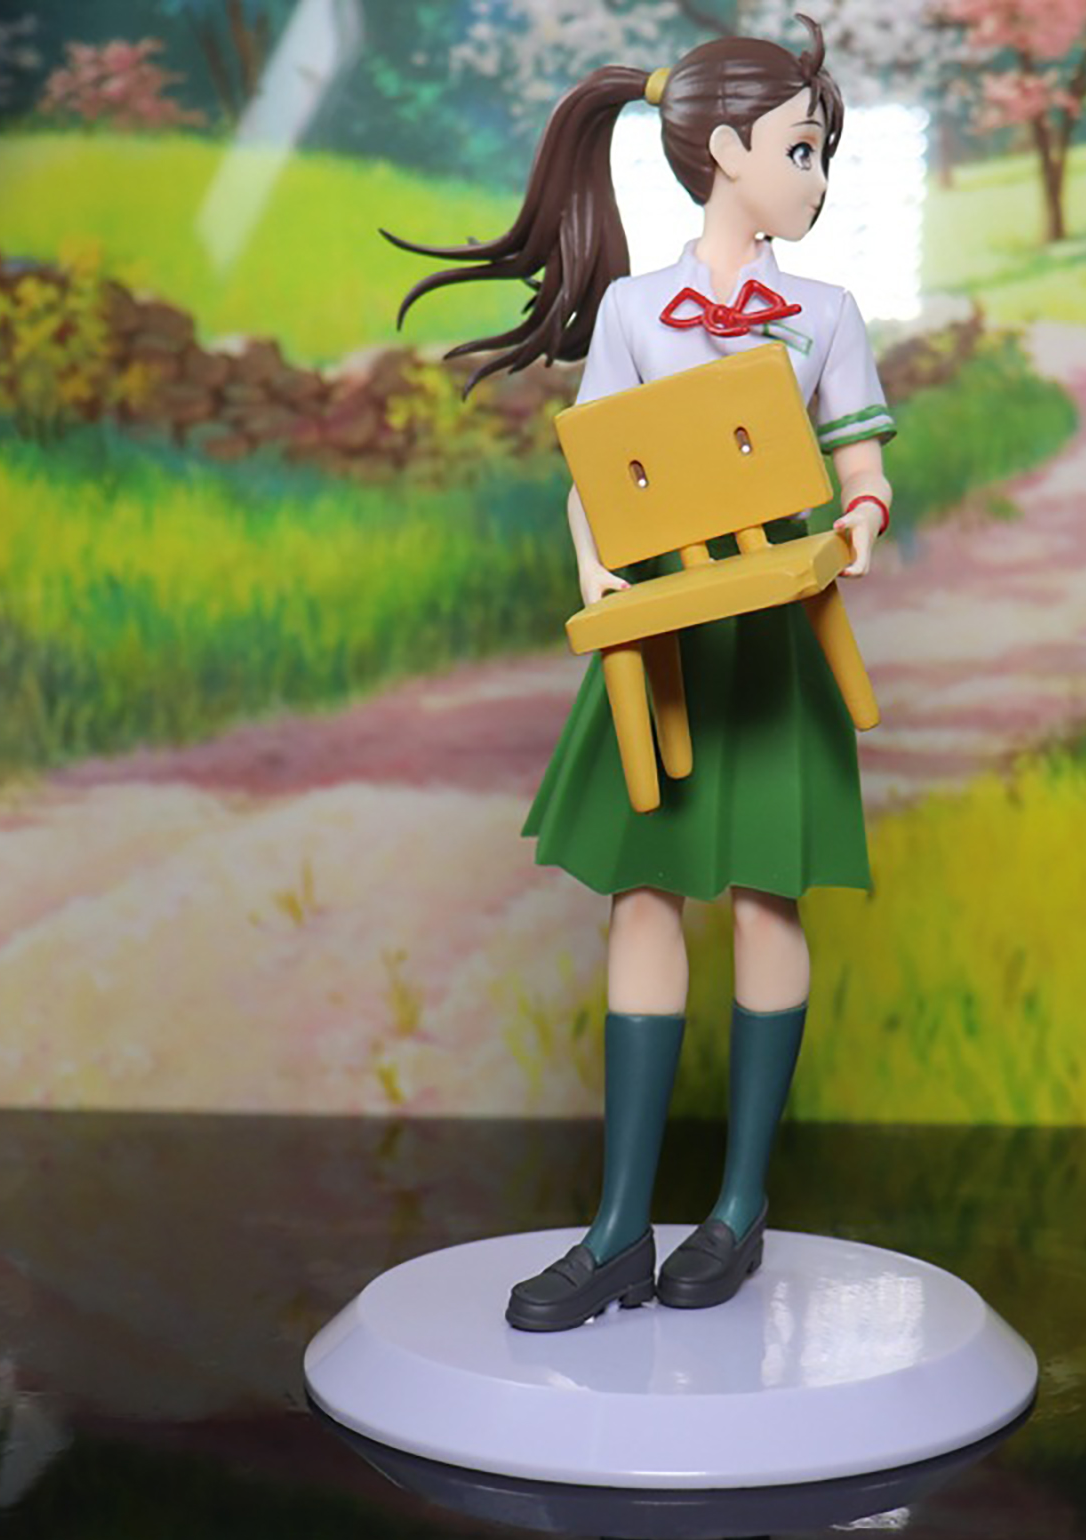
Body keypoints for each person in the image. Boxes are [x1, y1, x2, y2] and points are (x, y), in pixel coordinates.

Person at [387, 15, 894, 1332]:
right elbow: (595, 471)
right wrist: (597, 568)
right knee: (643, 896)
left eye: (822, 153)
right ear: (725, 151)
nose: (817, 177)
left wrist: (858, 523)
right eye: (801, 149)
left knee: (769, 898)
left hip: (773, 631)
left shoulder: (825, 315)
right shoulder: (632, 311)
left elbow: (862, 467)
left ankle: (737, 1208)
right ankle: (618, 1228)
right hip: (661, 634)